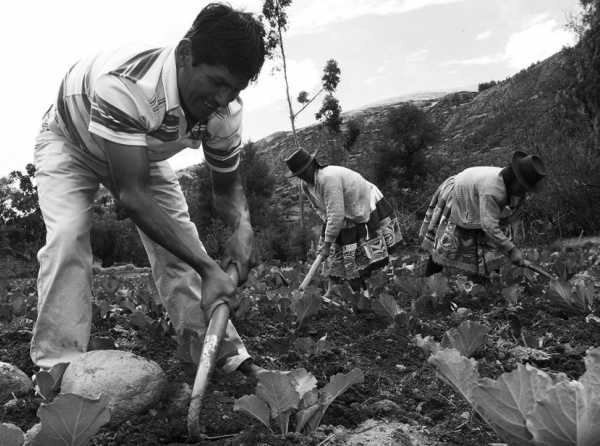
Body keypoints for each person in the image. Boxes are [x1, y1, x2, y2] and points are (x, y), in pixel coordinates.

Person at [31, 3, 266, 378]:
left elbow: (226, 190)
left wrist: (242, 227)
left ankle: (217, 353)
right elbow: (132, 197)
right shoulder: (127, 84)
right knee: (68, 236)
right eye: (217, 82)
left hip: (140, 147)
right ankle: (58, 368)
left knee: (180, 241)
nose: (222, 100)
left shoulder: (225, 112)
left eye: (233, 89)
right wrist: (209, 268)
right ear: (186, 53)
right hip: (71, 142)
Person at [285, 148, 403, 309]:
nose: (302, 175)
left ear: (313, 165)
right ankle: (332, 289)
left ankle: (368, 292)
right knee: (335, 253)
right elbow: (320, 209)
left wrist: (328, 242)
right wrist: (328, 229)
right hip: (340, 213)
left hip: (362, 205)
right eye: (299, 173)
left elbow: (337, 213)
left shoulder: (328, 178)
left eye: (304, 171)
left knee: (361, 254)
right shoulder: (305, 185)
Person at [419, 151, 547, 278]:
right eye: (523, 186)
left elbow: (507, 220)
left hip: (476, 194)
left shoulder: (513, 188)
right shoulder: (492, 190)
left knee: (492, 245)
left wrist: (510, 247)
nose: (524, 191)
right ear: (515, 178)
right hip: (459, 194)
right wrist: (512, 250)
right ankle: (429, 281)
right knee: (446, 244)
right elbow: (489, 227)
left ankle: (487, 282)